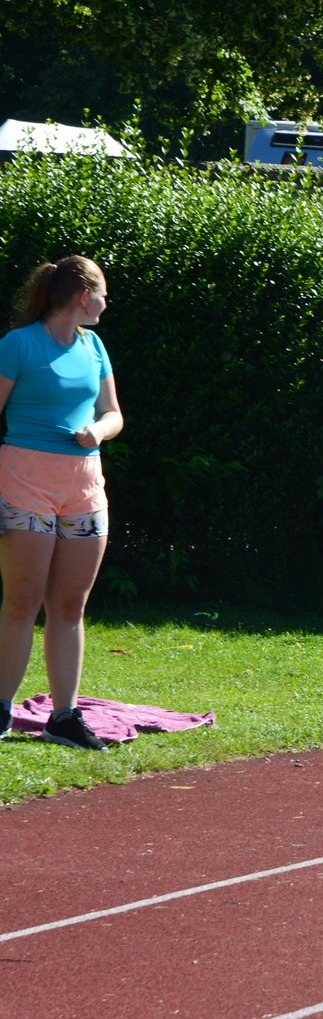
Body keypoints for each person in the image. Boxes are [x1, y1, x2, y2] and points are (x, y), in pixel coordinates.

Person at [0, 256, 122, 749]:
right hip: (25, 481)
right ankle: (1, 709)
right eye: (103, 295)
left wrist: (98, 430)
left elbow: (113, 413)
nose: (106, 304)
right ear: (82, 297)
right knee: (22, 601)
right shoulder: (19, 344)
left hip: (84, 485)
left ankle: (64, 716)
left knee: (70, 605)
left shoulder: (94, 347)